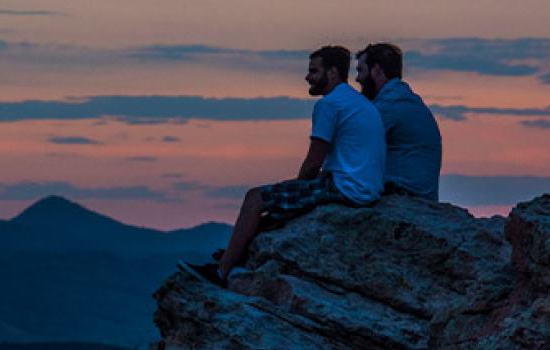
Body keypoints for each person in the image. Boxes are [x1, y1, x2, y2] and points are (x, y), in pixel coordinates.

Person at [180, 46, 386, 287]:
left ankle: (220, 273)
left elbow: (313, 162)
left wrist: (297, 187)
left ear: (332, 73)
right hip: (368, 187)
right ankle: (235, 257)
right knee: (276, 209)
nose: (307, 77)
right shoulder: (358, 102)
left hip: (347, 188)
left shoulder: (330, 105)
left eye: (313, 71)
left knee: (255, 199)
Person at [355, 43, 442, 200]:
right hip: (414, 192)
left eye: (361, 70)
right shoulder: (402, 98)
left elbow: (352, 143)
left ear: (376, 70)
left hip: (406, 194)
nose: (357, 79)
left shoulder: (390, 104)